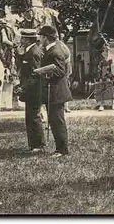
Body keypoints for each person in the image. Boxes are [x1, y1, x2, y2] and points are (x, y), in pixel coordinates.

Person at [38, 25, 73, 157]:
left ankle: (62, 150)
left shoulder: (55, 51)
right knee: (54, 120)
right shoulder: (50, 50)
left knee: (57, 121)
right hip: (52, 91)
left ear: (46, 38)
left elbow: (60, 71)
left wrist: (43, 73)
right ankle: (60, 148)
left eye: (41, 36)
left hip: (56, 91)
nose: (40, 39)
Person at [17, 29, 45, 152]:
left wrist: (23, 87)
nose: (21, 40)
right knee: (31, 116)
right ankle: (34, 144)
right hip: (31, 89)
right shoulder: (30, 51)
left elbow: (35, 74)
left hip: (34, 90)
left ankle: (38, 145)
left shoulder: (34, 53)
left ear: (28, 40)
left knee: (34, 117)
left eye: (22, 38)